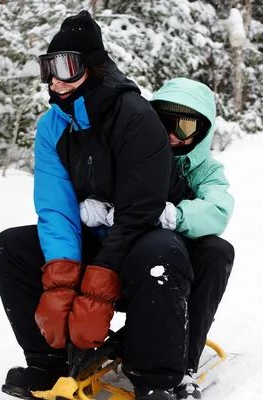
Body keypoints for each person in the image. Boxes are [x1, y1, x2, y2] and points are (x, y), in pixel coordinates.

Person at [0, 10, 209, 400]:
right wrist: (60, 280)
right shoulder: (52, 126)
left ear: (93, 67)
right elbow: (56, 208)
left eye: (67, 67)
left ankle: (158, 378)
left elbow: (140, 211)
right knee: (8, 247)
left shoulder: (135, 117)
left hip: (138, 243)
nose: (56, 78)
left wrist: (98, 288)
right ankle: (48, 361)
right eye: (48, 68)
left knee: (160, 250)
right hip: (93, 242)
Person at [79, 78, 235, 400]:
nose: (173, 135)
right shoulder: (129, 150)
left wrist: (174, 216)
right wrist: (90, 206)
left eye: (186, 126)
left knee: (217, 251)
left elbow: (217, 208)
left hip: (174, 270)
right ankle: (73, 348)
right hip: (121, 257)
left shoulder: (204, 170)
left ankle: (183, 366)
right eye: (163, 122)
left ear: (202, 132)